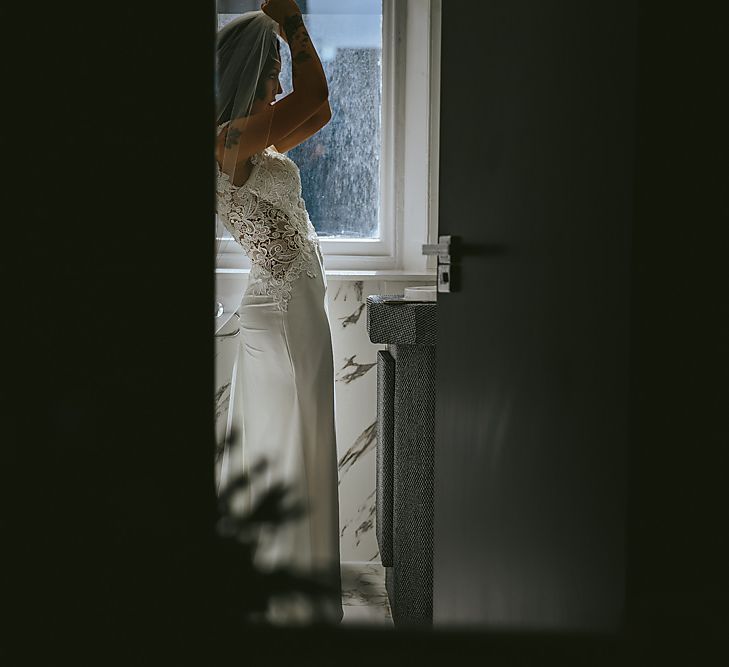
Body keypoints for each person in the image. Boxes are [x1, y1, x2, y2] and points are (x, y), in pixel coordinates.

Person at [214, 0, 343, 625]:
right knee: (290, 450)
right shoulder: (230, 139)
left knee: (302, 445)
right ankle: (284, 606)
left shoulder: (250, 138)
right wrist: (292, 24)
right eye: (270, 73)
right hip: (281, 311)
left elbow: (318, 108)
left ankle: (297, 600)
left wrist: (289, 34)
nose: (278, 85)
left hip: (294, 307)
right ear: (245, 75)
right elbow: (314, 91)